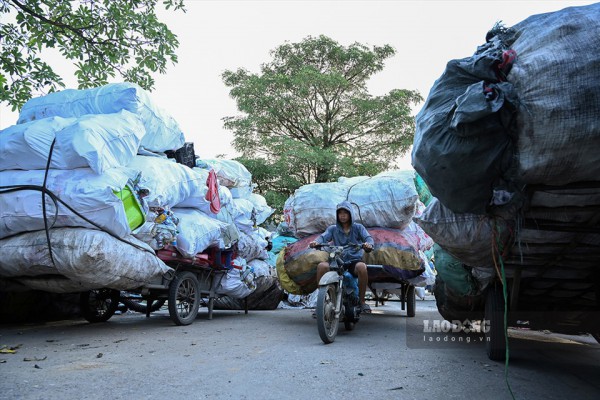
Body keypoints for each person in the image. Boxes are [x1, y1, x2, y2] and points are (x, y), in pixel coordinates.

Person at [309, 201, 374, 314]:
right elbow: (323, 238)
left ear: (350, 215)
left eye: (345, 213)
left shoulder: (359, 228)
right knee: (321, 266)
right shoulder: (333, 229)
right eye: (340, 213)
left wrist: (368, 244)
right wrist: (315, 242)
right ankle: (321, 303)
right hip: (337, 260)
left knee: (362, 267)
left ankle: (362, 302)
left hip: (353, 261)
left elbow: (368, 239)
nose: (342, 215)